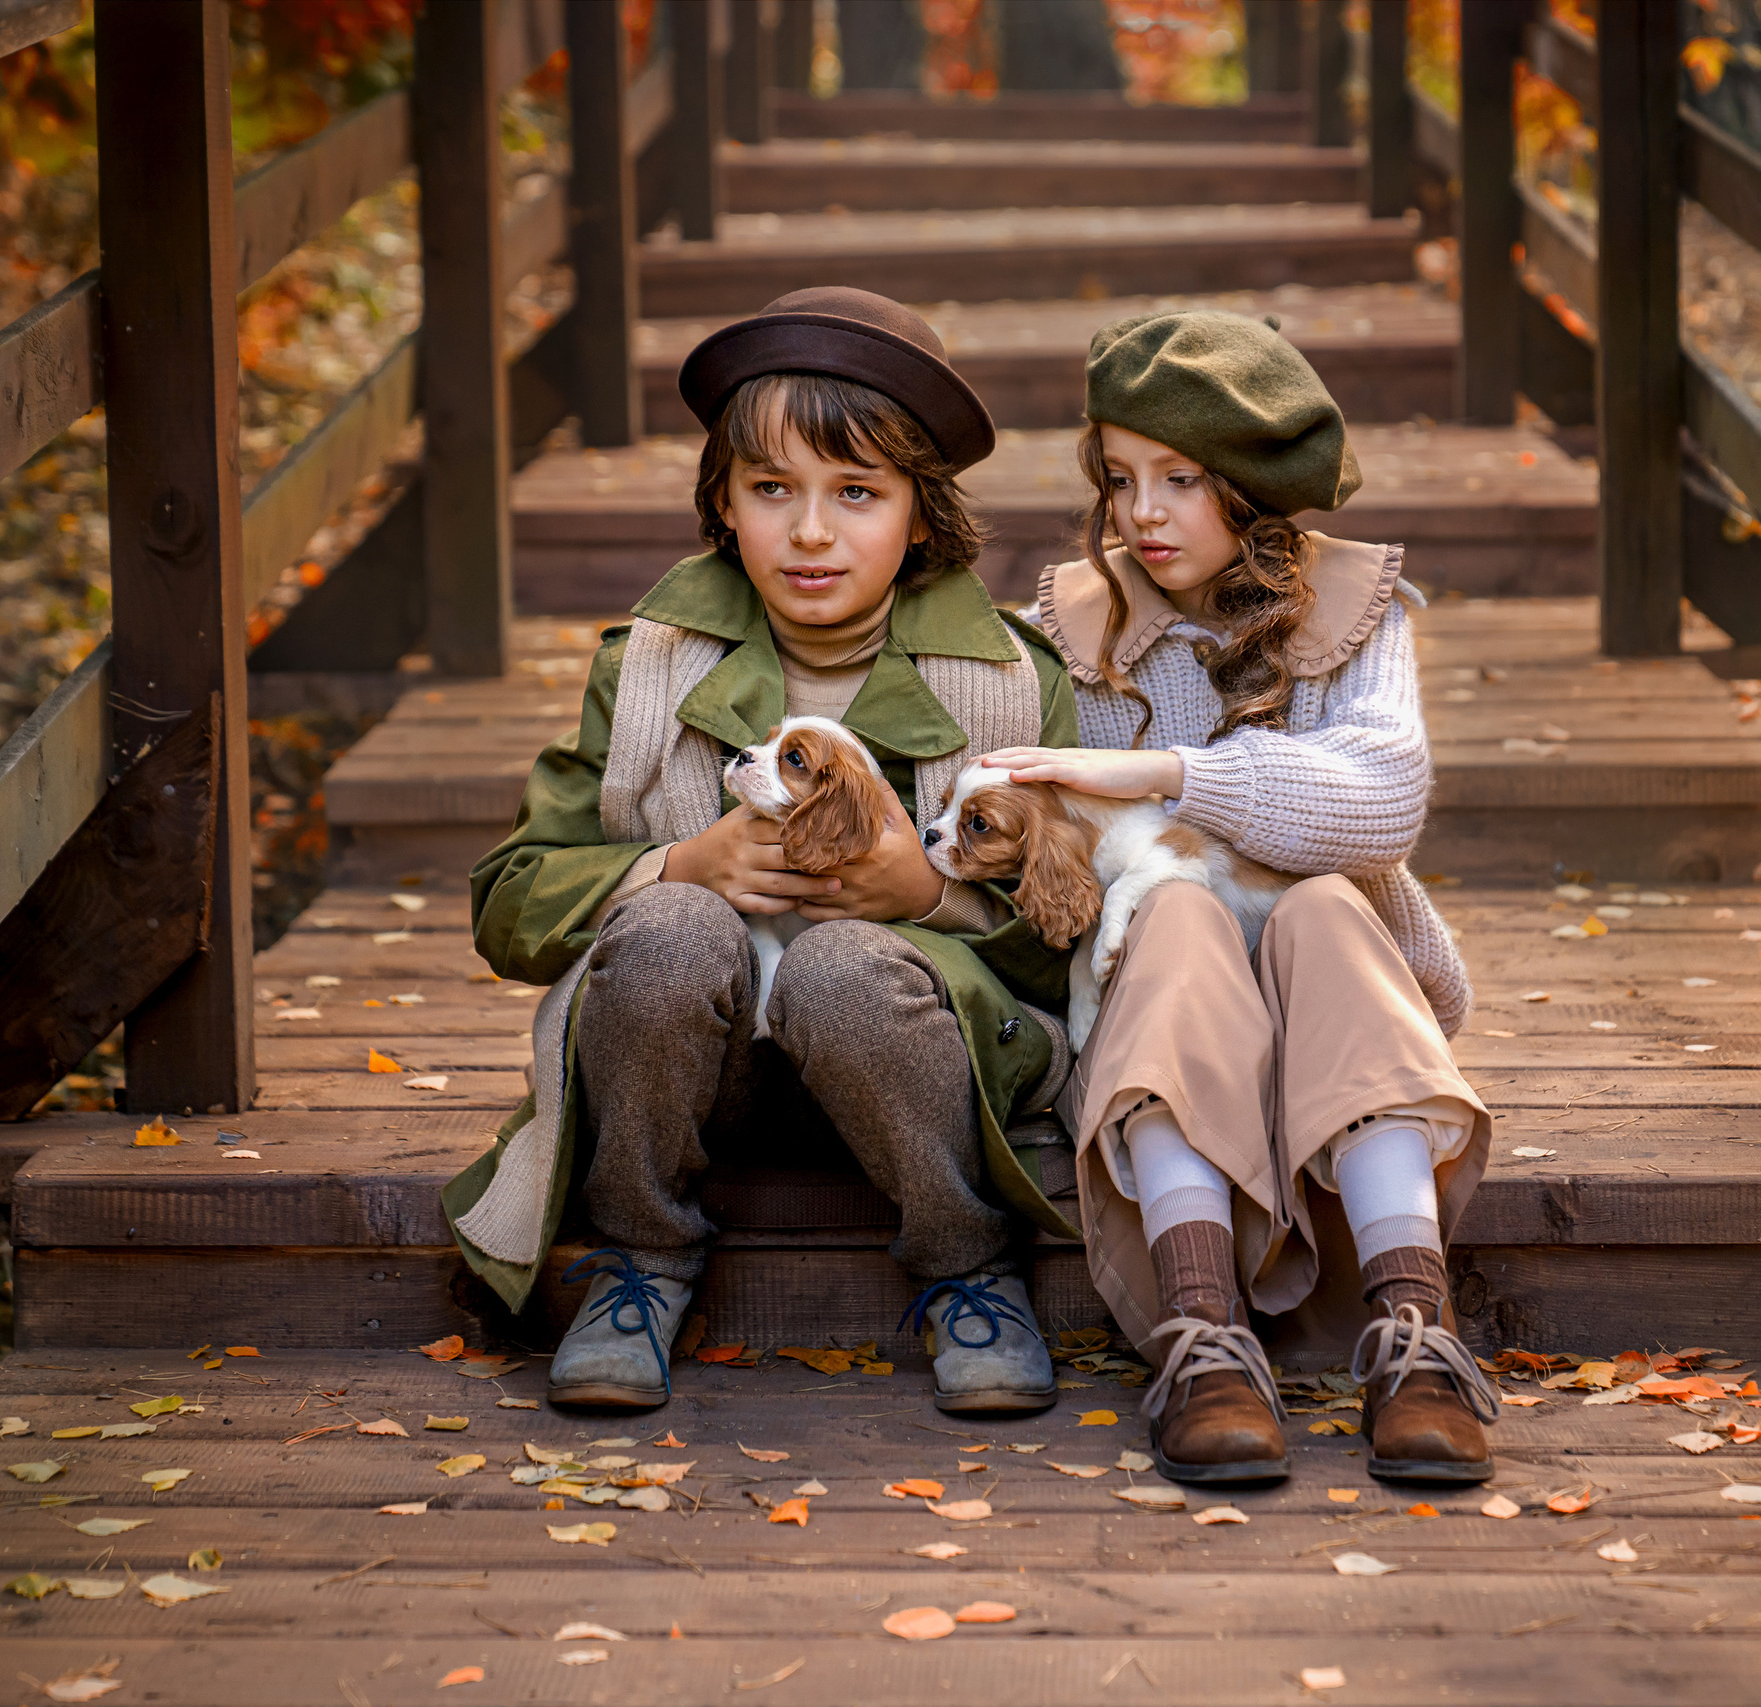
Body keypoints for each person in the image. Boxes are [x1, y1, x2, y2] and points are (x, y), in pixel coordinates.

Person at [444, 288, 1080, 1417]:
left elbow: (1078, 937)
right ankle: (640, 1259)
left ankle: (965, 1264)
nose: (813, 531)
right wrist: (675, 867)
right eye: (772, 489)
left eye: (858, 494)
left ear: (921, 515)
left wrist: (930, 896)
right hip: (700, 1064)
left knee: (841, 962)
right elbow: (510, 901)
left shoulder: (1010, 685)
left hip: (925, 1062)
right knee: (674, 927)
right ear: (723, 505)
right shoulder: (648, 667)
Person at [982, 310, 1497, 1485]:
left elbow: (1382, 802)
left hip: (1340, 1017)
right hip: (1167, 1017)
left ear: (1255, 484)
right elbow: (1011, 794)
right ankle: (1202, 1335)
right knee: (1170, 913)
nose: (1140, 513)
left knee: (1323, 904)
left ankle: (1417, 1337)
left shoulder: (1355, 612)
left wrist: (1170, 773)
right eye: (1117, 480)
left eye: (1179, 480)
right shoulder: (1074, 626)